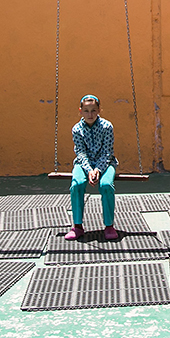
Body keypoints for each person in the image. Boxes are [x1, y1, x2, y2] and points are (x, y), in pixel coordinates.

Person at [65, 95, 119, 241]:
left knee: (106, 185)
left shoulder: (107, 126)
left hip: (106, 163)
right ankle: (77, 226)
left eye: (93, 110)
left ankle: (109, 226)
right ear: (80, 111)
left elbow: (107, 152)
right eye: (86, 111)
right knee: (77, 184)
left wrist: (98, 170)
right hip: (83, 164)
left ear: (99, 110)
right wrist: (89, 170)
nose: (90, 114)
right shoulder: (77, 129)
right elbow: (80, 152)